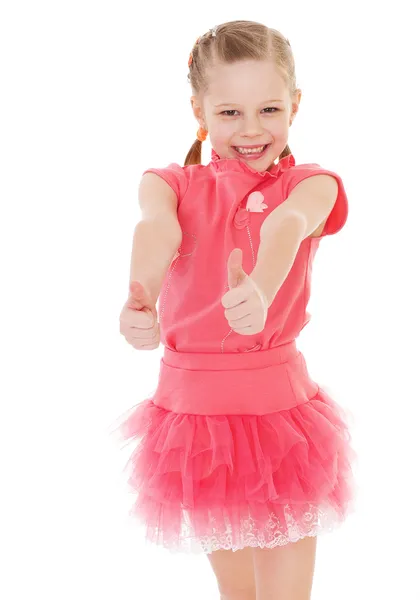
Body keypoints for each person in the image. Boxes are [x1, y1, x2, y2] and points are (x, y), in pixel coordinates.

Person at [111, 19, 357, 600]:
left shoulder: (311, 183)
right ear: (198, 109)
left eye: (269, 109)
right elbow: (156, 229)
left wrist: (264, 288)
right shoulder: (168, 183)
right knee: (237, 593)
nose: (251, 130)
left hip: (281, 417)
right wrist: (139, 293)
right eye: (229, 113)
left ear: (295, 105)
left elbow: (287, 226)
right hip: (196, 423)